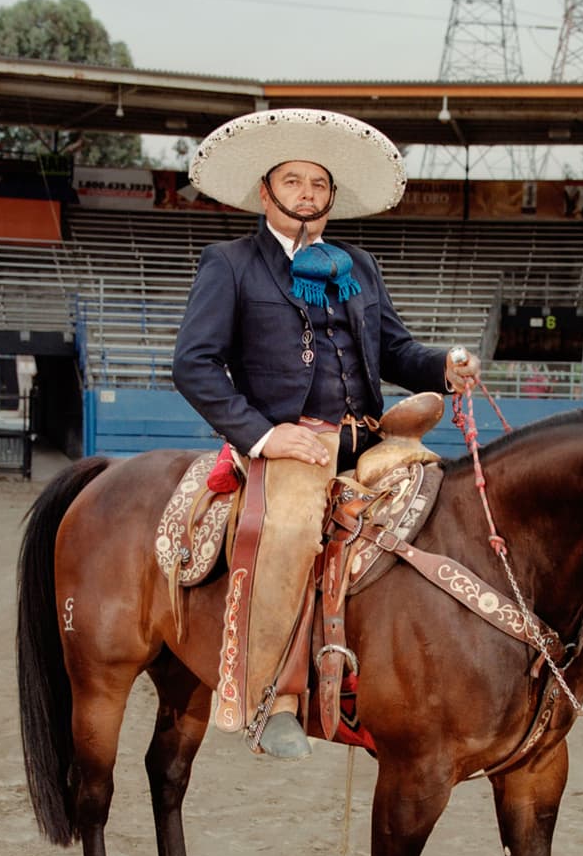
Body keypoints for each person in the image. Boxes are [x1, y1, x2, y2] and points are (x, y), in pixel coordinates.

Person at [172, 108, 480, 760]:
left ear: (331, 196)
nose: (307, 194)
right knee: (286, 530)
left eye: (318, 184)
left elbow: (395, 352)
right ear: (266, 192)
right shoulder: (229, 263)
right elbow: (193, 364)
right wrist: (263, 436)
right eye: (293, 181)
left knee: (448, 504)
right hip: (291, 444)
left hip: (370, 438)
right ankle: (276, 697)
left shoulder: (359, 266)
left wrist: (445, 368)